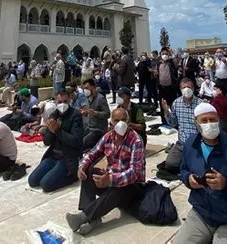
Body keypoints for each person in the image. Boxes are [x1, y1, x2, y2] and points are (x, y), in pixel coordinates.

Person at [174, 103, 227, 244]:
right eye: (204, 120)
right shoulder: (191, 144)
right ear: (196, 123)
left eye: (212, 119)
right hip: (202, 214)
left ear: (218, 120)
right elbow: (183, 170)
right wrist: (188, 179)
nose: (209, 123)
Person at [66, 107, 145, 236]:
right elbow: (92, 153)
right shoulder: (108, 137)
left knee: (119, 189)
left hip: (131, 185)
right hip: (112, 178)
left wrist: (111, 180)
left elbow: (135, 172)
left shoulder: (135, 140)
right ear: (111, 122)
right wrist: (82, 166)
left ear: (129, 121)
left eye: (123, 119)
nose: (120, 123)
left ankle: (82, 217)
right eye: (117, 120)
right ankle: (92, 218)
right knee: (89, 172)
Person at [28, 89, 84, 192]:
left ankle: (72, 176)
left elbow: (76, 141)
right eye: (60, 102)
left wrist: (58, 131)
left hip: (67, 157)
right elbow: (47, 142)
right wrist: (50, 130)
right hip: (53, 155)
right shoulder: (54, 115)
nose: (62, 105)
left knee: (46, 184)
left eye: (65, 102)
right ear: (55, 102)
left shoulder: (75, 115)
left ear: (70, 101)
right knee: (32, 181)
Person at [162, 78, 202, 173]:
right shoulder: (176, 103)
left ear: (193, 88)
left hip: (197, 144)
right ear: (180, 89)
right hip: (182, 143)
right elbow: (173, 123)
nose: (186, 89)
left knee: (200, 167)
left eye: (189, 87)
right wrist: (166, 111)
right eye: (184, 87)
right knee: (170, 164)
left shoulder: (200, 104)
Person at [80, 78, 111, 151]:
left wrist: (96, 113)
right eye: (84, 88)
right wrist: (85, 113)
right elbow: (89, 112)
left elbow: (107, 114)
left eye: (87, 88)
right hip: (89, 128)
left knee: (82, 145)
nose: (85, 90)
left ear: (92, 87)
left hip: (98, 130)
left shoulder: (100, 98)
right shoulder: (89, 98)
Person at [157, 47, 179, 123]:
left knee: (172, 105)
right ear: (160, 55)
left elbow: (176, 57)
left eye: (166, 54)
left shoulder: (172, 63)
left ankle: (174, 121)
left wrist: (171, 50)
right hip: (162, 89)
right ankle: (164, 122)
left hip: (171, 88)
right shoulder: (159, 63)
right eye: (163, 54)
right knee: (163, 105)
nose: (164, 55)